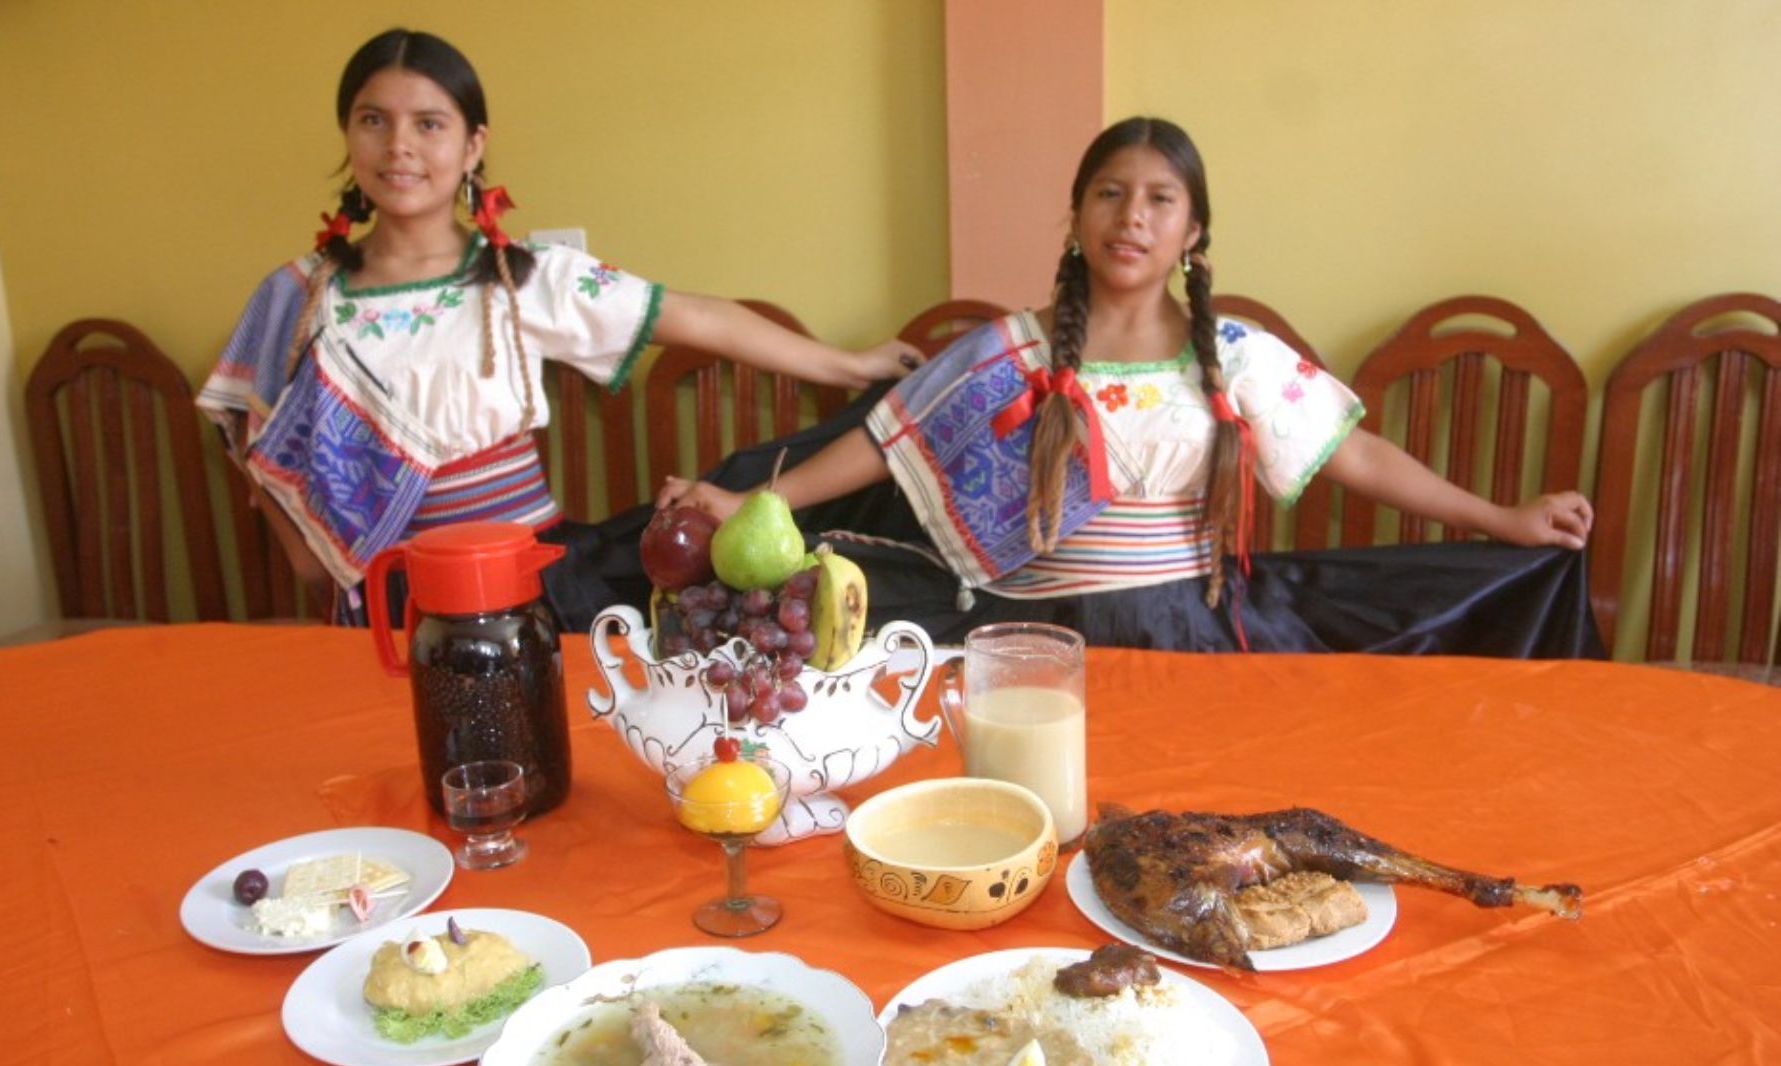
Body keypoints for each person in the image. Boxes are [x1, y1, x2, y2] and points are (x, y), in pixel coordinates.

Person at [656, 116, 1599, 654]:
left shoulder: (1237, 356)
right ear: (1075, 216)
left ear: (1193, 231)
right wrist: (750, 499)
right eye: (1110, 193)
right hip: (1024, 637)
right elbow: (879, 446)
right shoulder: (1006, 355)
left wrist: (1502, 518)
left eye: (1160, 199)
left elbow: (1354, 452)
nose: (1131, 217)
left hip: (1189, 633)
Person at [197, 28, 920, 626]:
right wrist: (307, 560)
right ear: (349, 135)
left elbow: (697, 315)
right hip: (389, 593)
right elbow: (250, 432)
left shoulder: (522, 280)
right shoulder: (299, 296)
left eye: (429, 123)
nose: (399, 147)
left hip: (526, 583)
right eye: (373, 120)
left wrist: (850, 367)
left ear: (473, 145)